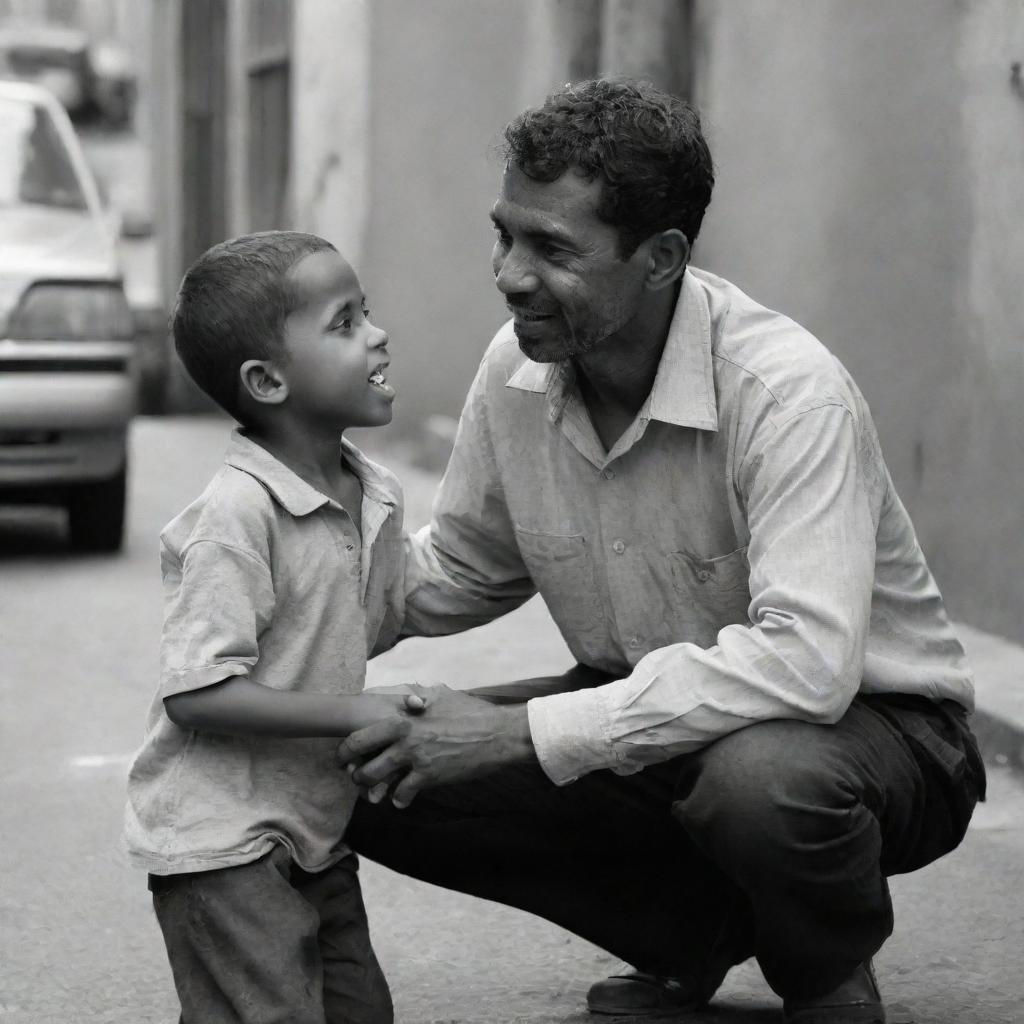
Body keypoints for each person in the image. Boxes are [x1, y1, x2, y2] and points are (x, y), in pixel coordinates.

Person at [336, 80, 986, 1023]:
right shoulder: (516, 365)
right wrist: (285, 617)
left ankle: (826, 974)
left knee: (759, 784)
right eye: (505, 233)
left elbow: (807, 668)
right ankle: (699, 936)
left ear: (662, 258)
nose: (510, 274)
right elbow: (464, 567)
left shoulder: (788, 393)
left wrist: (516, 733)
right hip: (654, 721)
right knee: (355, 758)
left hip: (876, 736)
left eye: (553, 248)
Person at [123, 230, 416, 1024]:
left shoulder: (371, 487)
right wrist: (354, 711)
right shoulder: (235, 516)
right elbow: (198, 692)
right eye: (345, 323)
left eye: (368, 313)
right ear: (266, 379)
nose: (377, 334)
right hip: (220, 842)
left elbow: (383, 609)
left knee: (359, 1010)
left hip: (312, 825)